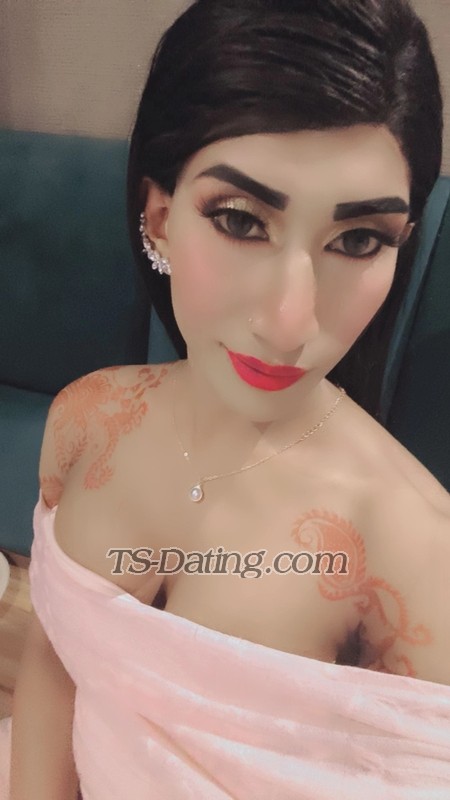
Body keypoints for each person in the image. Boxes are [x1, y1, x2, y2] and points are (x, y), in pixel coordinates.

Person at [1, 0, 450, 797]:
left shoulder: (415, 559)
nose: (289, 322)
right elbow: (58, 651)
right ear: (159, 217)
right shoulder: (88, 419)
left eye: (357, 240)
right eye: (242, 220)